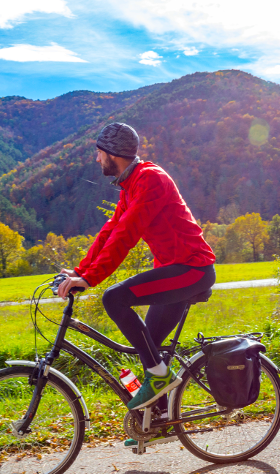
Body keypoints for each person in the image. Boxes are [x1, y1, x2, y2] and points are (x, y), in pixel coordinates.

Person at [56, 122, 216, 410]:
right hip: (176, 270)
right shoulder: (131, 186)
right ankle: (160, 418)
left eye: (98, 153)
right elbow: (111, 230)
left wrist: (91, 279)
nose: (96, 159)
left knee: (114, 298)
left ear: (111, 153)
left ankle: (159, 378)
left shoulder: (150, 180)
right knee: (149, 350)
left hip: (192, 269)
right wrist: (80, 271)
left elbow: (127, 234)